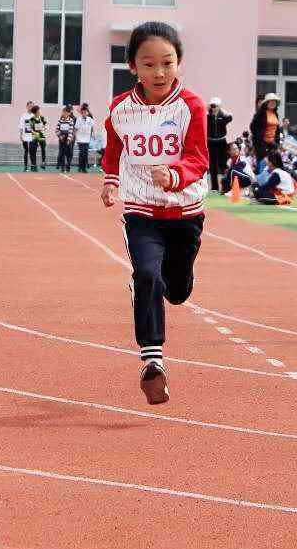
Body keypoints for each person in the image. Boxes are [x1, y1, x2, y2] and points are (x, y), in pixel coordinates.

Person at [100, 22, 208, 405]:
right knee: (146, 275)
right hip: (142, 210)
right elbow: (114, 150)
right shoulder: (120, 109)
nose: (159, 72)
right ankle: (153, 361)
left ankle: (172, 282)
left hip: (185, 212)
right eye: (149, 64)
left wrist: (175, 175)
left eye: (167, 62)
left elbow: (199, 157)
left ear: (179, 63)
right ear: (132, 66)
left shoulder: (190, 106)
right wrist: (111, 181)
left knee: (176, 290)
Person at [206, 97, 233, 191]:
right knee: (212, 165)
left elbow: (230, 117)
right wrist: (208, 110)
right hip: (211, 142)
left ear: (219, 106)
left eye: (215, 106)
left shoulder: (223, 115)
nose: (213, 108)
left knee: (223, 164)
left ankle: (225, 186)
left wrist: (221, 110)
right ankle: (214, 187)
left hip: (221, 142)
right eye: (212, 106)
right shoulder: (207, 116)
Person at [249, 93, 283, 164]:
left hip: (273, 143)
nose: (272, 103)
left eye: (274, 102)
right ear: (266, 102)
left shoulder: (275, 113)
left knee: (273, 163)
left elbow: (276, 129)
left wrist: (277, 142)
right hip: (262, 143)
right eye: (270, 101)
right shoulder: (261, 113)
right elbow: (252, 126)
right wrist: (259, 140)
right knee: (262, 163)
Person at [25, 104, 48, 171]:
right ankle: (34, 164)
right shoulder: (31, 119)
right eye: (38, 111)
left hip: (42, 136)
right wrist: (34, 132)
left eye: (39, 111)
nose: (39, 112)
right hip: (35, 136)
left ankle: (43, 162)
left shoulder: (42, 118)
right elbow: (29, 128)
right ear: (35, 112)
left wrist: (44, 128)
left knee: (43, 149)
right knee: (33, 150)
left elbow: (45, 124)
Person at [75, 104, 96, 173]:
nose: (84, 114)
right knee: (81, 153)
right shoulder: (78, 119)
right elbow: (76, 128)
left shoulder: (90, 119)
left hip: (87, 138)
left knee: (85, 153)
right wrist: (74, 136)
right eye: (82, 112)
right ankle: (80, 167)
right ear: (81, 113)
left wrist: (93, 134)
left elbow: (92, 127)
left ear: (87, 112)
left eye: (85, 112)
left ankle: (84, 168)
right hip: (80, 138)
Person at [55, 105, 76, 173]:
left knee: (69, 153)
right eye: (63, 112)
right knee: (62, 153)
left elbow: (71, 130)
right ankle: (62, 167)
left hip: (68, 138)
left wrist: (69, 139)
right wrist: (60, 136)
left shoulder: (71, 121)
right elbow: (56, 130)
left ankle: (68, 166)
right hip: (61, 138)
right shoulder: (60, 120)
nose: (64, 114)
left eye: (66, 112)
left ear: (69, 113)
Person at [17, 101, 35, 168]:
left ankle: (33, 166)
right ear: (27, 107)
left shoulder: (34, 115)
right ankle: (25, 166)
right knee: (26, 151)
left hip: (32, 136)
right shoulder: (23, 115)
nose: (31, 108)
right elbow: (21, 126)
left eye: (32, 106)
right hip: (25, 136)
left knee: (32, 151)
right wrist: (21, 135)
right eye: (29, 106)